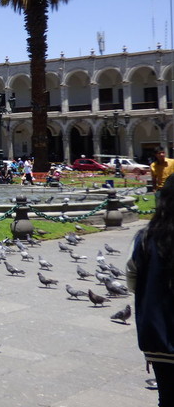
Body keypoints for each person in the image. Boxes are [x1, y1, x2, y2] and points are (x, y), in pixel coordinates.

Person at [127, 174, 174, 406]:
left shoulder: (146, 238)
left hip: (159, 335)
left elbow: (132, 280)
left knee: (166, 397)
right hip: (159, 337)